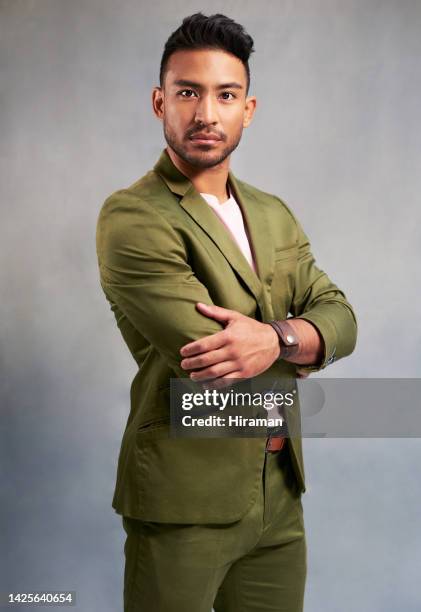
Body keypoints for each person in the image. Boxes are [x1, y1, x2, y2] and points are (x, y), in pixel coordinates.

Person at [95, 12, 358, 612]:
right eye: (188, 93)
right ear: (161, 102)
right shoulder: (134, 216)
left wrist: (278, 338)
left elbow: (341, 316)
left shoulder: (273, 213)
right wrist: (303, 339)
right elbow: (213, 356)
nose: (206, 113)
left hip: (279, 495)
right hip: (185, 494)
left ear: (249, 108)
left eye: (225, 94)